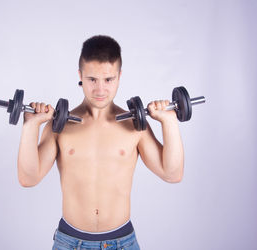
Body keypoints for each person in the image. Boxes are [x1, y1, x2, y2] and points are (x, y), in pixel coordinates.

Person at [17, 35, 184, 250]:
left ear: (119, 76)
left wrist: (169, 121)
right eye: (92, 79)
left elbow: (172, 174)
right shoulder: (60, 125)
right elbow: (28, 178)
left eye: (108, 80)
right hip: (70, 242)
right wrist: (30, 126)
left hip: (122, 242)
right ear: (80, 75)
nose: (100, 90)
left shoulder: (135, 126)